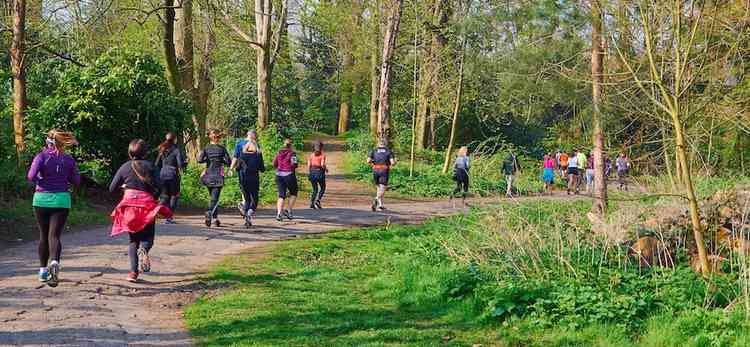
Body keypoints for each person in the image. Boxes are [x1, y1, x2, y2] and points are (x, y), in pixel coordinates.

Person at [110, 139, 172, 283]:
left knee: (133, 241)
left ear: (130, 152)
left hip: (129, 207)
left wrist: (124, 188)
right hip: (146, 207)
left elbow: (112, 188)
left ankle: (133, 272)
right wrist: (156, 198)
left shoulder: (124, 167)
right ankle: (144, 248)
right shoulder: (151, 166)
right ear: (145, 153)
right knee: (148, 238)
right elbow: (161, 187)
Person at [27, 129, 80, 287]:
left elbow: (30, 176)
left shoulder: (41, 157)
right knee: (54, 236)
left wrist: (40, 178)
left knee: (43, 236)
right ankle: (55, 261)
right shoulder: (69, 160)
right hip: (61, 201)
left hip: (41, 200)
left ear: (47, 142)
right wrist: (66, 177)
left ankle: (43, 271)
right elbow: (76, 181)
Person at [198, 129, 232, 227]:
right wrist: (221, 161)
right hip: (218, 175)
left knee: (213, 198)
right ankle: (209, 212)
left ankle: (215, 219)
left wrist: (208, 159)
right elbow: (229, 162)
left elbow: (200, 160)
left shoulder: (206, 148)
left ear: (210, 138)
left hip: (208, 175)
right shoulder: (222, 149)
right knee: (215, 198)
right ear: (219, 138)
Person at [154, 132, 184, 224]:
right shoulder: (176, 150)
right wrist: (184, 163)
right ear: (174, 139)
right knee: (174, 196)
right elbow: (180, 164)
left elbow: (156, 164)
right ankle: (169, 218)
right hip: (173, 174)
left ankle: (154, 211)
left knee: (165, 196)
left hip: (162, 174)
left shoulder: (162, 149)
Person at [231, 130, 261, 216]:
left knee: (244, 188)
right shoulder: (256, 144)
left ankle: (244, 205)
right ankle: (245, 207)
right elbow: (259, 158)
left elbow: (235, 157)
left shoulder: (239, 143)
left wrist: (231, 168)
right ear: (253, 136)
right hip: (253, 172)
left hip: (242, 171)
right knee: (253, 193)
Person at [237, 141, 265, 228]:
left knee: (247, 200)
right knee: (254, 200)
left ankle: (247, 216)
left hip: (244, 180)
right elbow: (262, 169)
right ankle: (249, 214)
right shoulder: (257, 156)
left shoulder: (242, 156)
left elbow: (237, 168)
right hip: (254, 180)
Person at [273, 138, 299, 221]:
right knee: (294, 192)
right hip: (289, 175)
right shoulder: (292, 153)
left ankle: (279, 214)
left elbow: (274, 164)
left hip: (279, 175)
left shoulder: (279, 153)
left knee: (281, 195)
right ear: (291, 145)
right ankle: (288, 210)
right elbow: (294, 164)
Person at [368, 139, 396, 211]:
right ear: (385, 144)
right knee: (383, 188)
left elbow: (368, 160)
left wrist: (372, 164)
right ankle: (376, 199)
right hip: (384, 170)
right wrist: (395, 162)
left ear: (378, 144)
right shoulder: (388, 151)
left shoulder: (374, 150)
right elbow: (392, 162)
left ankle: (380, 205)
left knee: (378, 187)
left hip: (375, 170)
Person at [308, 141, 327, 209]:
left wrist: (310, 171)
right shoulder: (322, 155)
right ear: (321, 147)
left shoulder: (311, 155)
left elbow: (309, 165)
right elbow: (322, 164)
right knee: (323, 188)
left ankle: (312, 203)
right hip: (320, 173)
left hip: (312, 172)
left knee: (315, 189)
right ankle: (318, 200)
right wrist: (326, 169)